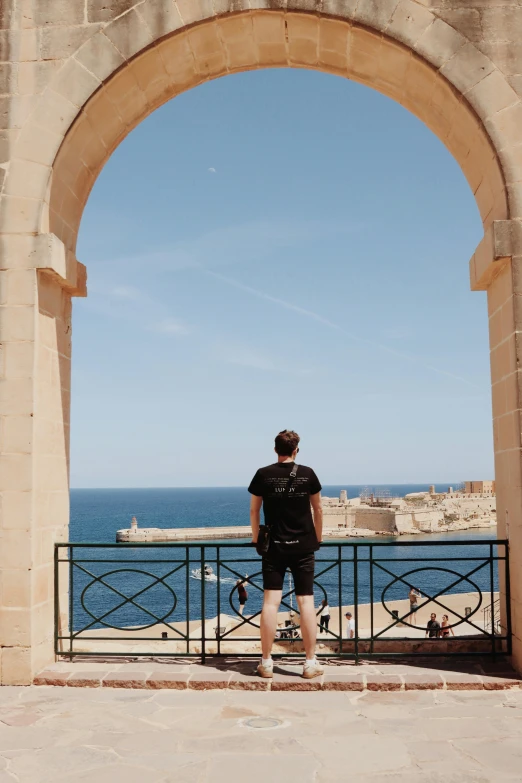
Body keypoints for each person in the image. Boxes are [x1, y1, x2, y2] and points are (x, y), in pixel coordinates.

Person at [249, 429, 323, 679]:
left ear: (275, 449)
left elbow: (254, 512)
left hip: (274, 546)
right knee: (306, 602)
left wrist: (255, 539)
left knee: (270, 602)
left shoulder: (263, 474)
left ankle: (267, 662)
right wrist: (318, 538)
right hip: (303, 545)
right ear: (296, 450)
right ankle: (310, 663)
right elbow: (318, 509)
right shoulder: (308, 473)